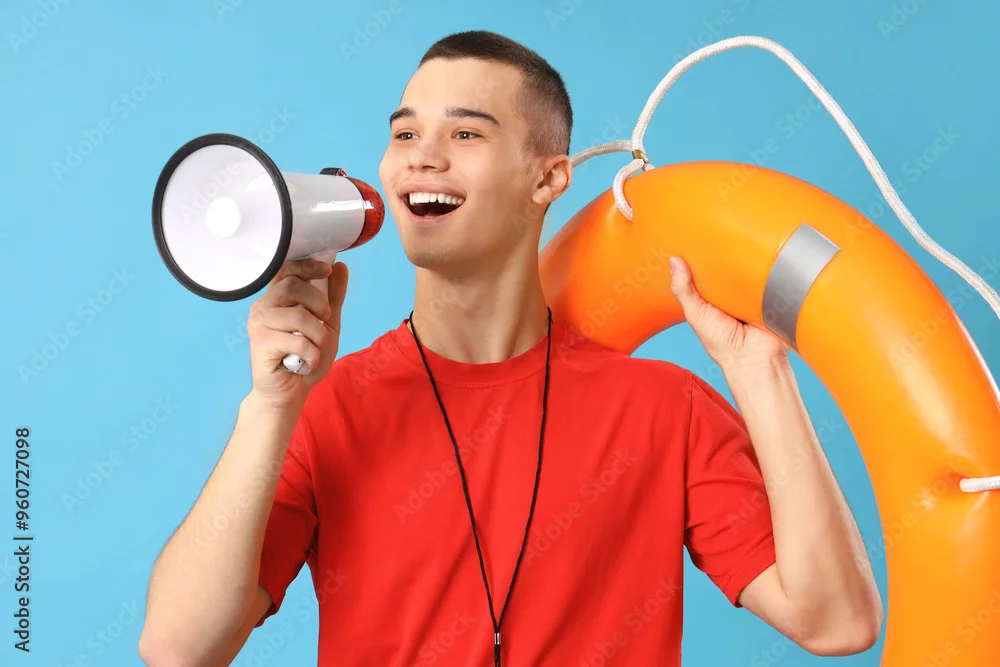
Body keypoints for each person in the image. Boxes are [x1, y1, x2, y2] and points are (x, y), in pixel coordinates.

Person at [138, 29, 882, 667]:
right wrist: (271, 407)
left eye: (465, 134)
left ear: (548, 178)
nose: (422, 157)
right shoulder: (327, 411)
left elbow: (836, 622)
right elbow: (178, 648)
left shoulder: (667, 409)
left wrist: (761, 371)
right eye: (405, 134)